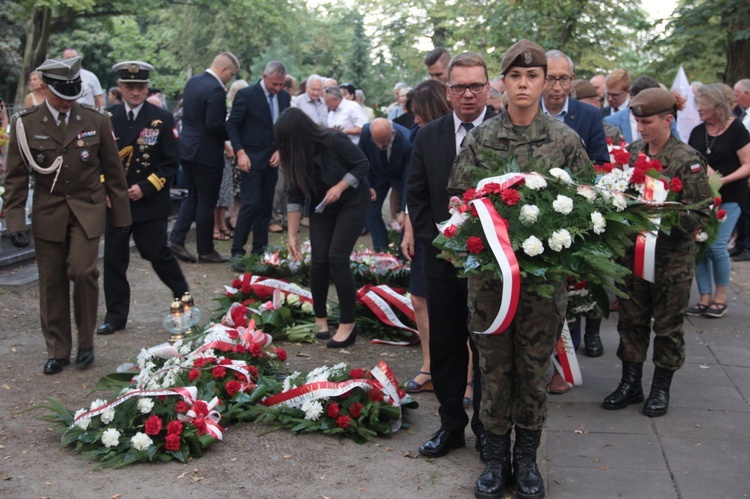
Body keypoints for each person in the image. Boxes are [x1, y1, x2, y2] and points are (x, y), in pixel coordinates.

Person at [447, 40, 591, 499]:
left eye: (533, 76)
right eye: (515, 76)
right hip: (491, 282)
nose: (524, 84)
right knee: (491, 368)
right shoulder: (482, 139)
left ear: (545, 82)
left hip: (544, 285)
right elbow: (459, 202)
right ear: (502, 84)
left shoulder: (565, 141)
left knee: (532, 368)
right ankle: (494, 460)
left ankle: (527, 459)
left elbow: (589, 204)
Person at [3, 56, 131, 374]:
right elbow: (17, 178)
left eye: (73, 94)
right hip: (49, 212)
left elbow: (114, 173)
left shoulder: (96, 119)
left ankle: (86, 342)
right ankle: (59, 350)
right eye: (62, 95)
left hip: (87, 209)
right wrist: (15, 221)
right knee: (52, 281)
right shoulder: (25, 123)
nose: (68, 102)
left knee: (83, 271)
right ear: (46, 88)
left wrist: (123, 220)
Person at [407, 52, 497, 466]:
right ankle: (450, 425)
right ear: (447, 91)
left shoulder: (504, 132)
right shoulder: (429, 136)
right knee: (445, 343)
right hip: (442, 258)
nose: (467, 94)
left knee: (488, 346)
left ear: (488, 88)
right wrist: (438, 241)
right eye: (459, 86)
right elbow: (417, 195)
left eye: (475, 86)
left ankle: (487, 427)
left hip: (495, 262)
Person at [603, 88, 712, 419]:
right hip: (633, 257)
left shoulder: (687, 161)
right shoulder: (633, 153)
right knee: (631, 321)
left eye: (647, 121)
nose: (641, 128)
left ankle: (660, 388)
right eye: (637, 121)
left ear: (668, 119)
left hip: (670, 260)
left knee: (668, 326)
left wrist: (657, 212)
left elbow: (699, 213)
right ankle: (630, 383)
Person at [96, 61, 189, 336]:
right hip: (116, 202)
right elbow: (97, 161)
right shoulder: (106, 118)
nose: (135, 92)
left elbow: (171, 162)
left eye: (140, 87)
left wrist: (146, 187)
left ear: (147, 88)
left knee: (155, 251)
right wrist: (107, 191)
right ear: (120, 88)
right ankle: (115, 317)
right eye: (129, 86)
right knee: (114, 258)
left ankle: (182, 295)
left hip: (149, 201)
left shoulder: (162, 118)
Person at [277, 107, 370, 348]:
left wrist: (340, 187)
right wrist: (292, 235)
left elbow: (361, 164)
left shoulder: (333, 139)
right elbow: (295, 196)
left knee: (337, 257)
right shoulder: (295, 156)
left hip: (352, 201)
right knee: (319, 260)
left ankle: (348, 325)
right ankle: (321, 320)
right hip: (322, 207)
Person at [400, 79, 452, 396]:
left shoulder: (460, 135)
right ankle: (429, 366)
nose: (415, 121)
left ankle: (468, 374)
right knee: (419, 297)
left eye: (418, 114)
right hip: (424, 229)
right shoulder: (420, 136)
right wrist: (409, 229)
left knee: (458, 304)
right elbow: (413, 186)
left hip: (460, 228)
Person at [687, 84, 750, 318]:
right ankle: (704, 297)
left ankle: (721, 296)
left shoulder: (737, 130)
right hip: (703, 199)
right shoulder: (697, 131)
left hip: (731, 197)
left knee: (716, 245)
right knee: (700, 245)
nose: (698, 108)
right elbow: (691, 162)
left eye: (702, 104)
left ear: (716, 105)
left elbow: (748, 164)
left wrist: (722, 180)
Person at [169, 52, 239, 264]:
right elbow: (214, 124)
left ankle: (177, 239)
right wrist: (234, 132)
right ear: (224, 70)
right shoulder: (216, 90)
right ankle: (206, 250)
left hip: (187, 147)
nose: (231, 79)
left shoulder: (193, 82)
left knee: (194, 196)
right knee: (206, 201)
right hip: (206, 151)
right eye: (232, 74)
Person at [227, 61, 291, 260]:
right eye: (274, 84)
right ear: (264, 77)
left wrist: (280, 150)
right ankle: (237, 250)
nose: (277, 88)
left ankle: (260, 249)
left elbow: (285, 127)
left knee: (265, 204)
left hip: (272, 159)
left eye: (281, 84)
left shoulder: (284, 97)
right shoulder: (246, 95)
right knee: (251, 203)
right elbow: (232, 126)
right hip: (250, 158)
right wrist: (240, 152)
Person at [541, 50, 609, 165]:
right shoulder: (527, 113)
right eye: (550, 79)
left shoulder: (590, 116)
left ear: (572, 79)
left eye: (563, 79)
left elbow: (600, 164)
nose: (557, 87)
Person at [358, 118, 412, 251]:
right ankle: (381, 250)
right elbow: (362, 159)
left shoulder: (407, 141)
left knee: (405, 217)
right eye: (376, 141)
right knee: (370, 208)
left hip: (399, 175)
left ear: (393, 134)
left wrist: (405, 210)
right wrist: (368, 185)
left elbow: (408, 180)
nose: (380, 145)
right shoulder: (366, 131)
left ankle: (401, 252)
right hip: (378, 174)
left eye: (384, 141)